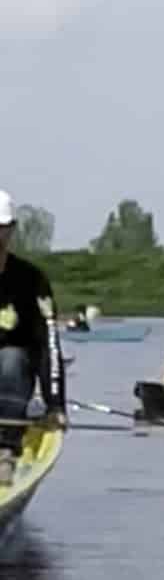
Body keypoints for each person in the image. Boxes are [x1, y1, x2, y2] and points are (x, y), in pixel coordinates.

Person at [0, 190, 67, 464]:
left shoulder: (32, 280)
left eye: (1, 228)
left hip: (13, 376)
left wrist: (55, 403)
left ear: (11, 229)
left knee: (11, 358)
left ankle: (5, 448)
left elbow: (49, 345)